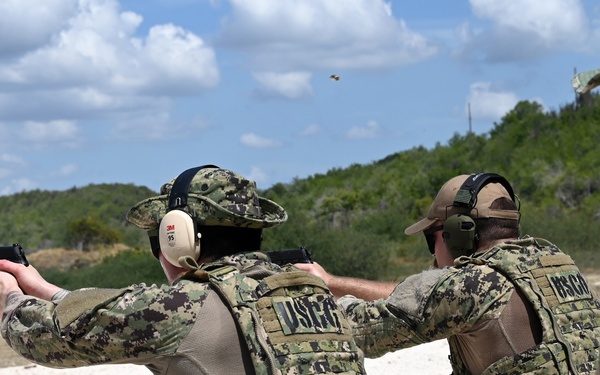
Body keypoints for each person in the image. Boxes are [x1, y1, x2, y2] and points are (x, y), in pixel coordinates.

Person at [0, 165, 365, 375]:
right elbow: (113, 307)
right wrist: (46, 289)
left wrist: (9, 297)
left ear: (180, 240)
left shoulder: (181, 308)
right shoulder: (317, 300)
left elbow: (39, 339)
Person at [296, 172, 600, 374]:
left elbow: (356, 332)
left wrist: (299, 292)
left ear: (457, 233)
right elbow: (417, 296)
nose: (432, 250)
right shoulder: (561, 267)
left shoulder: (471, 285)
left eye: (432, 237)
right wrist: (331, 282)